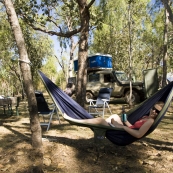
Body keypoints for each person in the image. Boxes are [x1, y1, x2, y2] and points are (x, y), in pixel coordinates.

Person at [64, 101, 164, 139]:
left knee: (100, 120)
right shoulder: (146, 117)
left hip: (124, 133)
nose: (154, 112)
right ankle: (102, 129)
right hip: (125, 128)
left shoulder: (150, 121)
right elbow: (132, 126)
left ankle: (76, 121)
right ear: (151, 108)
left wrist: (123, 127)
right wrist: (125, 119)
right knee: (115, 116)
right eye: (154, 109)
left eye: (157, 111)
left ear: (159, 114)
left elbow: (138, 134)